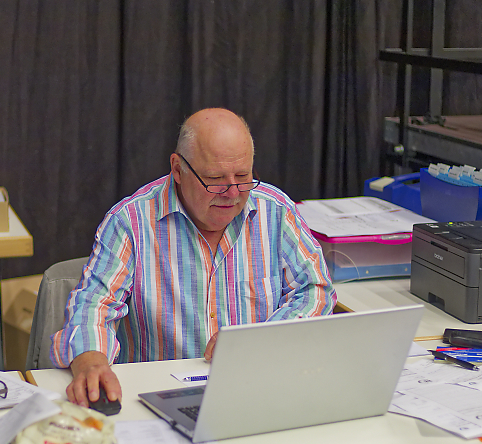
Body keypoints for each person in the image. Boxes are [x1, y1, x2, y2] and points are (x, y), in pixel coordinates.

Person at [50, 108, 337, 406]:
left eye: (243, 176)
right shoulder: (130, 221)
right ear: (177, 169)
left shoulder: (275, 211)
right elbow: (94, 306)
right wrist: (92, 364)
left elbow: (315, 289)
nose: (233, 193)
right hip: (159, 394)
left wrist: (259, 338)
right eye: (215, 179)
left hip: (254, 386)